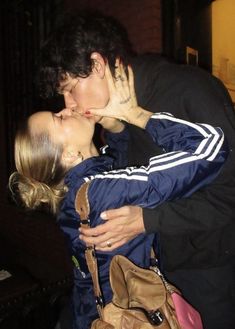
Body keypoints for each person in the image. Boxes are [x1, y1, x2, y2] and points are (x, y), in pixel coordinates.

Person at [38, 11, 235, 329]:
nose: (68, 103)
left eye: (70, 88)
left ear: (98, 65)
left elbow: (229, 196)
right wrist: (117, 130)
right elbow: (133, 175)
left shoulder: (187, 91)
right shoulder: (111, 117)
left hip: (205, 270)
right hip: (154, 271)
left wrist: (146, 220)